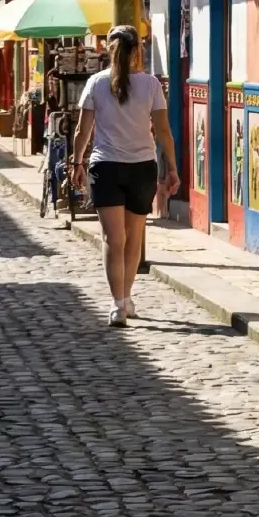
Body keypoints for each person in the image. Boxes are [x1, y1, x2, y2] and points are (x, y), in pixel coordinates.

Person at [72, 26, 177, 327]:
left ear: (109, 49)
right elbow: (164, 131)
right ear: (137, 51)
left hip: (105, 168)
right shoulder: (151, 85)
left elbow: (82, 131)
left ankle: (118, 304)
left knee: (112, 239)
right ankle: (127, 297)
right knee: (133, 239)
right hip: (142, 167)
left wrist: (77, 163)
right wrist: (171, 167)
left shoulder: (95, 83)